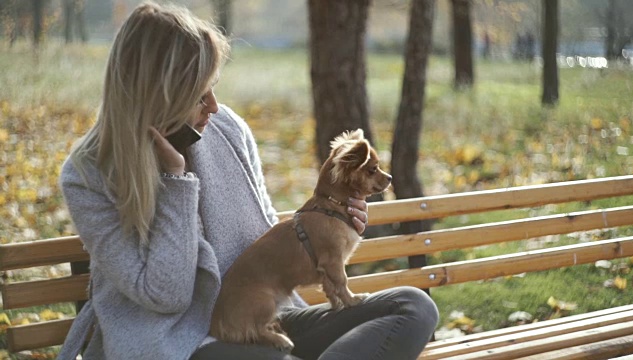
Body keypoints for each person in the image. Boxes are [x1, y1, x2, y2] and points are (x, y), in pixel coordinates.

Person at [57, 2, 439, 359]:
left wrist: (331, 220)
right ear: (158, 95)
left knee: (413, 306)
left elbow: (264, 234)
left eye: (213, 86)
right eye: (198, 94)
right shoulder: (89, 174)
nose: (214, 106)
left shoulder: (227, 130)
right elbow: (166, 296)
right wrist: (176, 181)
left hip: (262, 314)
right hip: (176, 341)